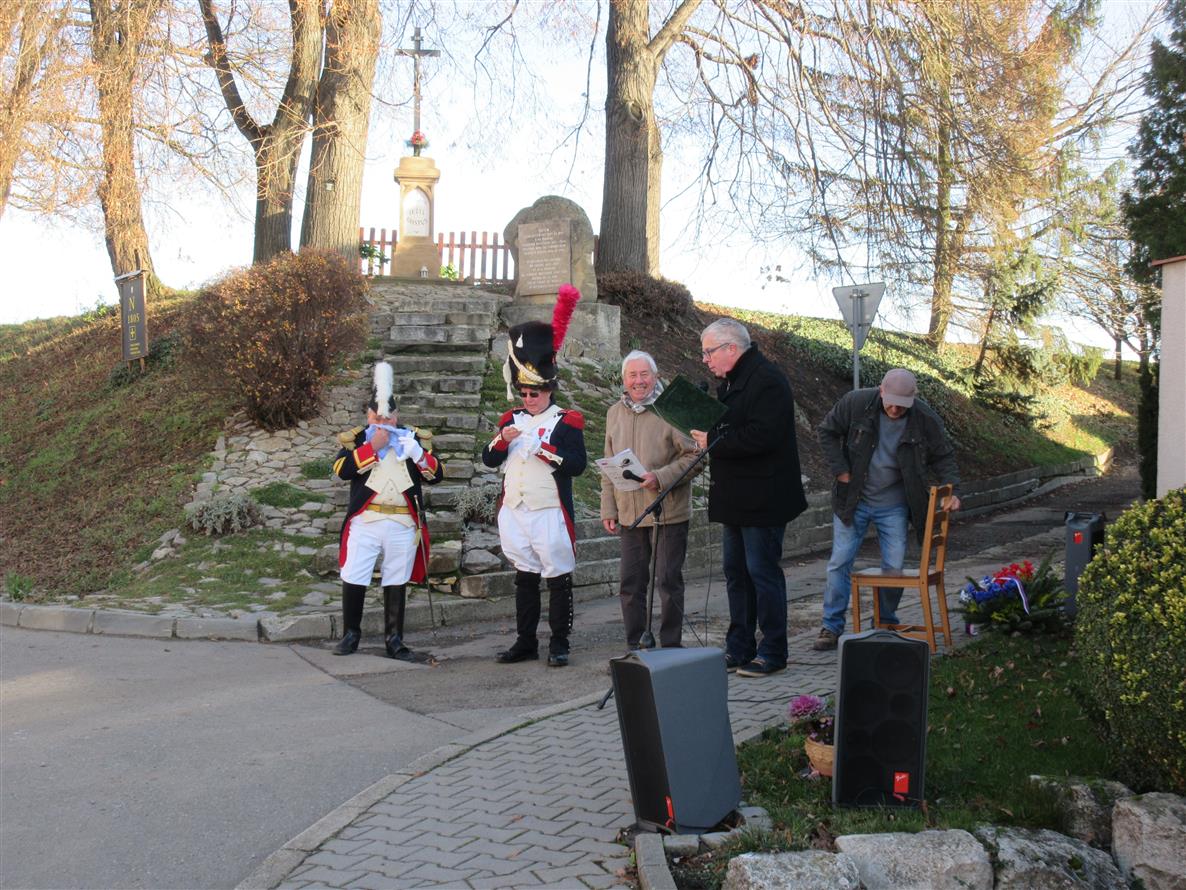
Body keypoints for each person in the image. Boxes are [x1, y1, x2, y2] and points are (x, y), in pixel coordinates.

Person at [690, 318, 808, 677]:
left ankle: (773, 650)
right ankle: (740, 646)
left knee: (762, 573)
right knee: (736, 574)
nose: (705, 360)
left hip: (764, 497)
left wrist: (714, 442)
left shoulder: (767, 380)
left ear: (731, 348)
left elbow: (763, 435)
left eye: (709, 352)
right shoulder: (732, 380)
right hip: (736, 497)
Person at [813, 367, 962, 650]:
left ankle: (884, 623)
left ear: (913, 399)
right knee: (840, 562)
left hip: (894, 504)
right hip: (853, 499)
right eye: (891, 402)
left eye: (902, 405)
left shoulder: (924, 418)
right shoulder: (856, 403)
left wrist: (952, 490)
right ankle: (831, 627)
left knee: (894, 567)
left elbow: (944, 456)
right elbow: (826, 432)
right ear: (881, 391)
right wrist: (841, 471)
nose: (895, 409)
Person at [484, 285, 587, 667]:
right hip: (516, 509)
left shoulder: (566, 421)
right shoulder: (509, 420)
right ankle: (525, 641)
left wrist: (549, 453)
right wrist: (501, 440)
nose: (529, 399)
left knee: (558, 577)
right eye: (525, 393)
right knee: (525, 577)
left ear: (549, 390)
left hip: (548, 510)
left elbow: (578, 465)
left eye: (536, 393)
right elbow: (489, 459)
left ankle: (559, 643)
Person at [332, 361, 444, 658]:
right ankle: (350, 635)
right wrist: (371, 447)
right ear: (368, 415)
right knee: (354, 574)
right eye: (377, 416)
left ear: (397, 416)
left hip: (402, 522)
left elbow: (437, 475)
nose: (383, 421)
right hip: (366, 519)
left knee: (396, 578)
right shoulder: (357, 439)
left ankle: (394, 640)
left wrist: (418, 454)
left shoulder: (413, 438)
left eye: (388, 417)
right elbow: (342, 470)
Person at [600, 351, 704, 649]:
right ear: (624, 380)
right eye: (632, 375)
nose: (639, 381)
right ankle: (636, 647)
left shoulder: (672, 410)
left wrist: (660, 477)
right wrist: (608, 508)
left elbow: (696, 456)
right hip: (629, 514)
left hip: (668, 512)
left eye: (644, 374)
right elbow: (608, 465)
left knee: (668, 582)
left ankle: (671, 646)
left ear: (655, 376)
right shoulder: (614, 413)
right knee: (630, 584)